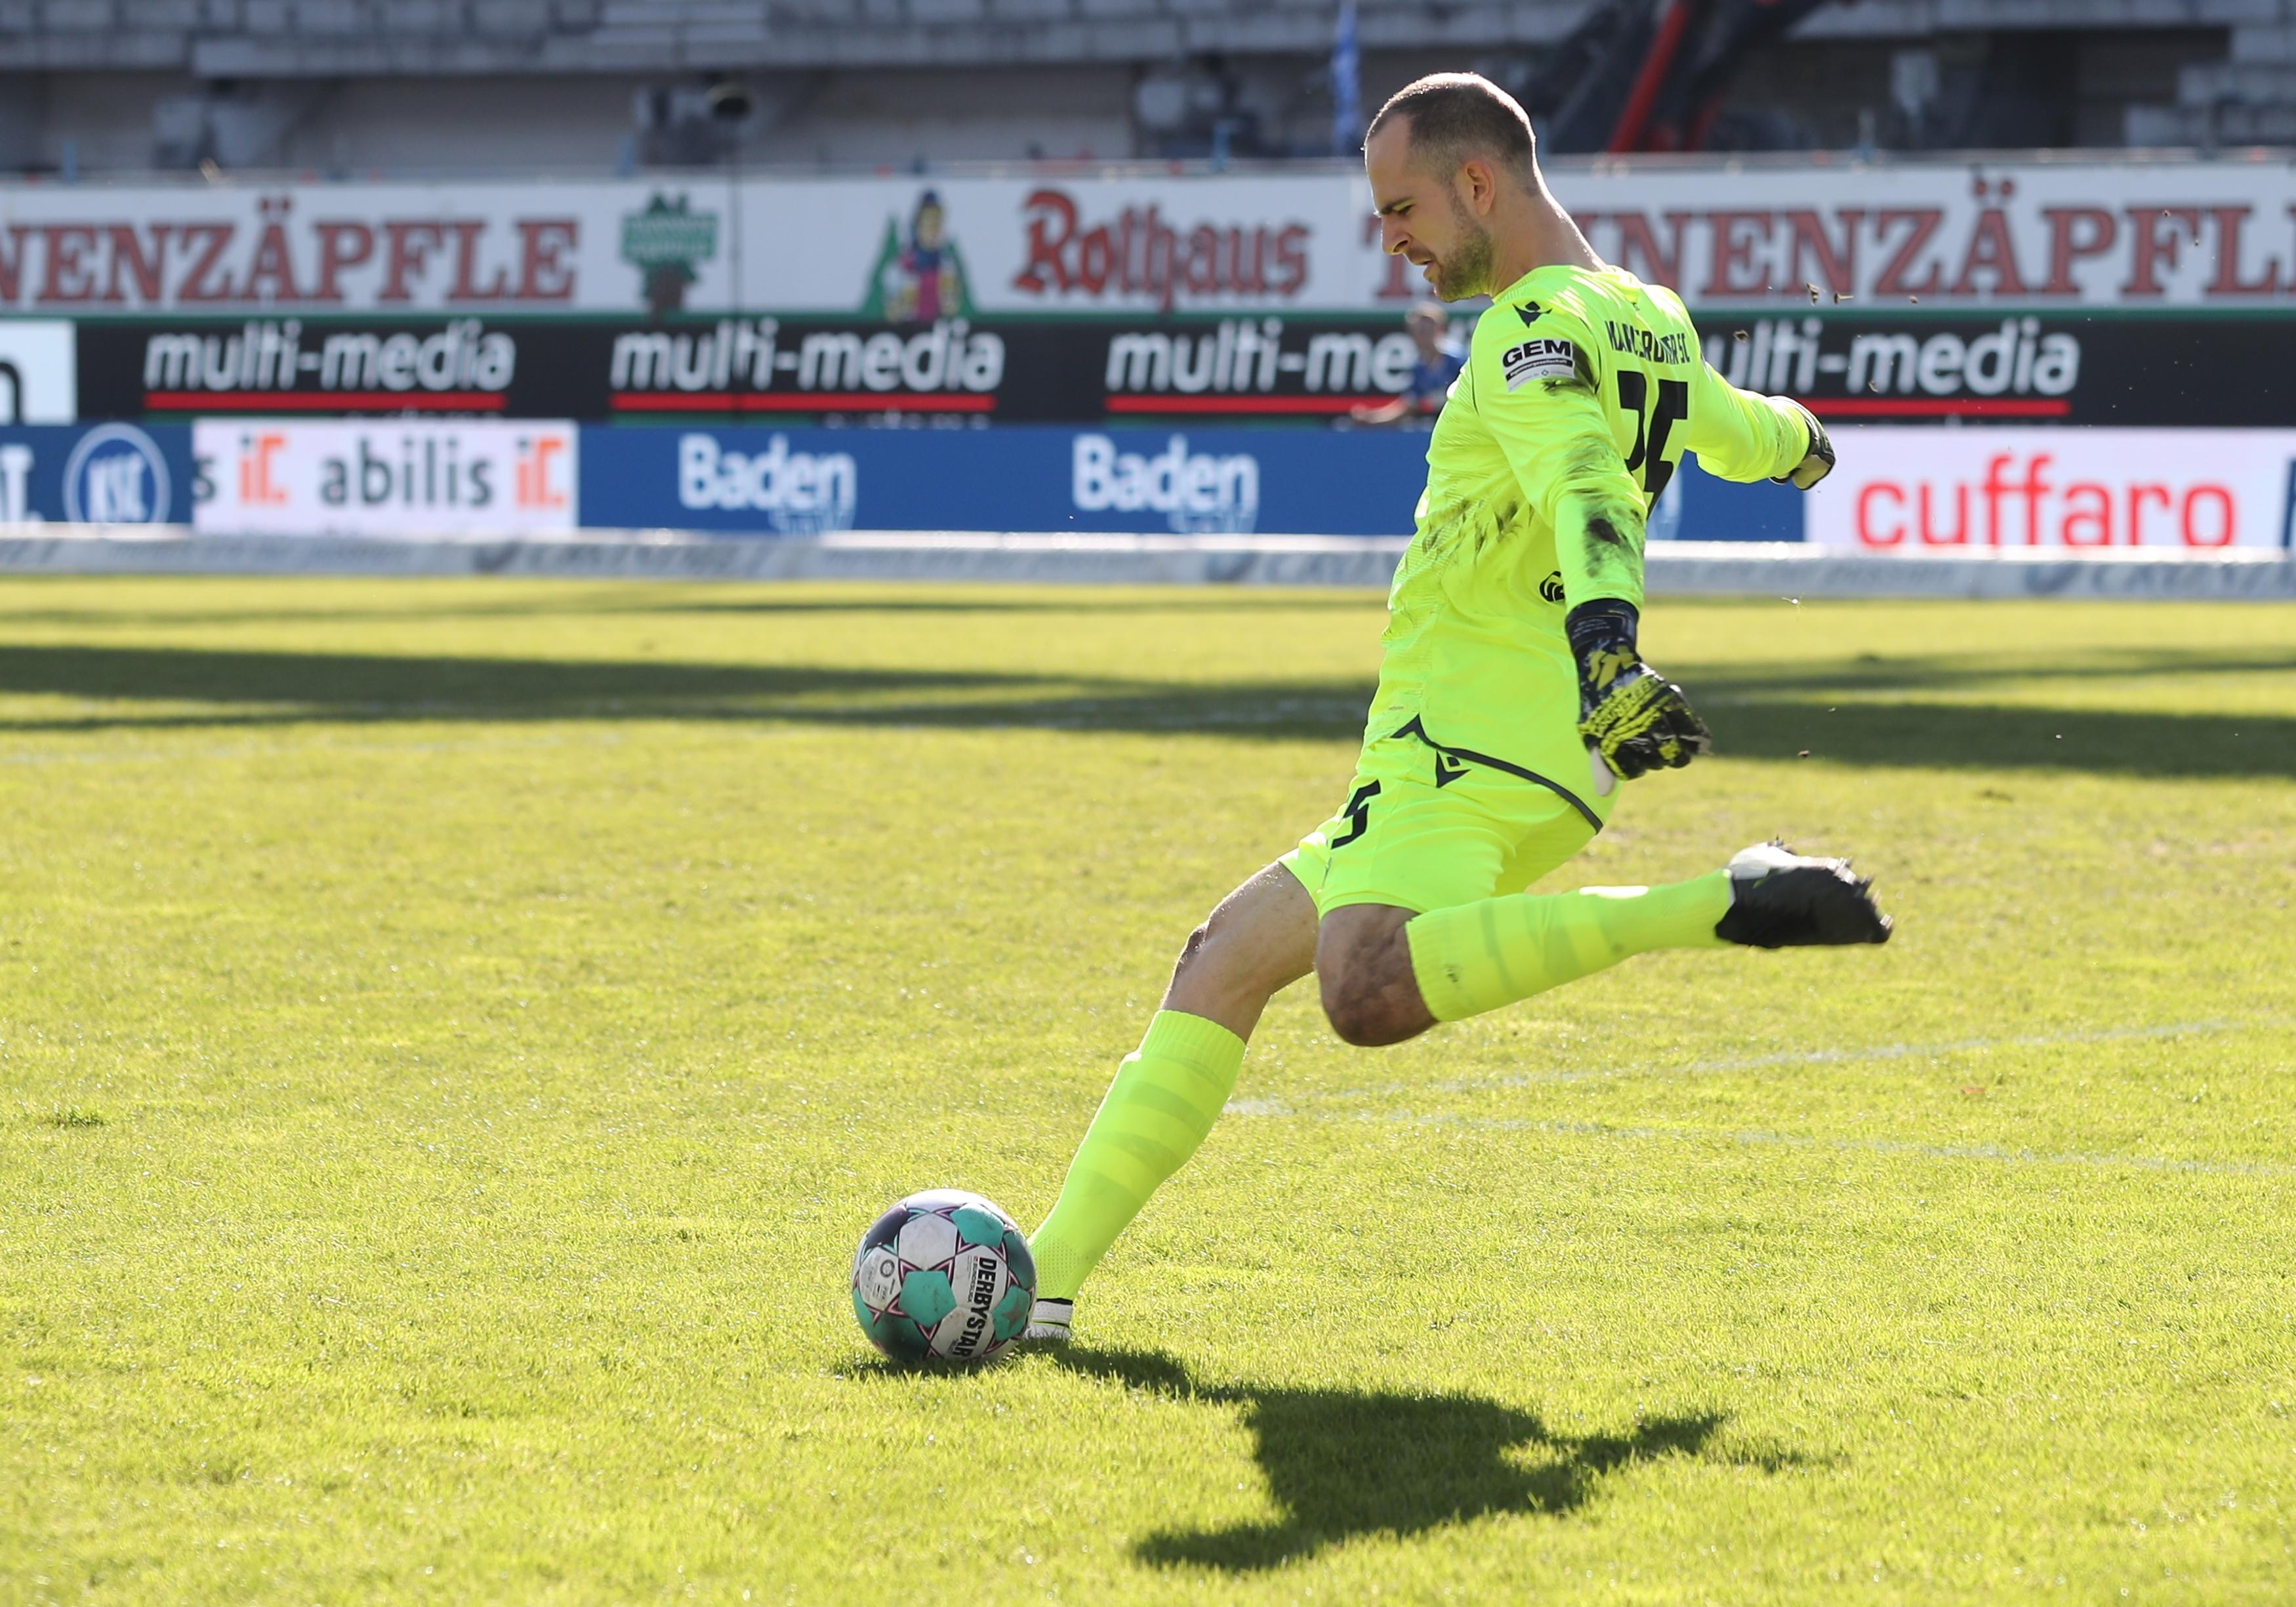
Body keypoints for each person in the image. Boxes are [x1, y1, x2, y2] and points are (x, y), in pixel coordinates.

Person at [1023, 72, 1889, 1344]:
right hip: (1508, 749)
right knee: (1221, 962)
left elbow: (1585, 480)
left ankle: (1717, 902)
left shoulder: (1527, 325)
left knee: (1362, 990)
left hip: (1470, 734)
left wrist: (1607, 648)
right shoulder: (1644, 315)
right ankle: (1040, 1282)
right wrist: (1801, 436)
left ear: (1477, 183)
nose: (1393, 240)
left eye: (1400, 208)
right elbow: (1719, 425)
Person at [1349, 301, 1466, 425]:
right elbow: (1408, 405)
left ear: (1440, 330)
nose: (1422, 336)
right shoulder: (1419, 367)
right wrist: (1371, 417)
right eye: (1418, 331)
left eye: (1427, 330)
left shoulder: (1456, 360)